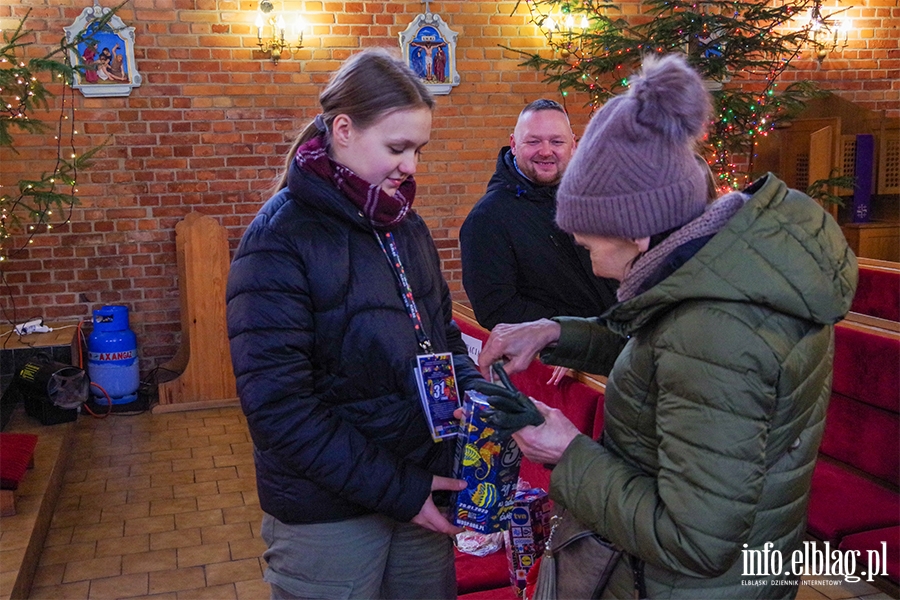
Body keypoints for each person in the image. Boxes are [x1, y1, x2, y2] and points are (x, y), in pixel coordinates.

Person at [477, 54, 857, 599]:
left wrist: (568, 454)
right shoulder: (714, 279)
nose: (584, 253)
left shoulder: (722, 329)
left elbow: (696, 541)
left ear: (635, 234)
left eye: (587, 238)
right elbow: (664, 357)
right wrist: (558, 333)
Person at [226, 49, 482, 600]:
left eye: (418, 149)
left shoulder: (404, 227)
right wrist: (399, 489)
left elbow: (441, 339)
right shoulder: (278, 239)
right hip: (329, 513)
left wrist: (486, 398)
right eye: (396, 147)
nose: (411, 166)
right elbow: (279, 411)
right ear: (343, 129)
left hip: (420, 486)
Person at [459, 99, 619, 333]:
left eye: (557, 142)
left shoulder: (597, 200)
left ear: (573, 145)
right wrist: (574, 332)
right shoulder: (487, 219)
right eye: (533, 142)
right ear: (513, 144)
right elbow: (496, 308)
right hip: (556, 359)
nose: (546, 151)